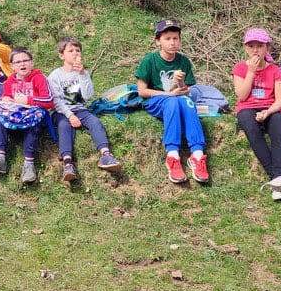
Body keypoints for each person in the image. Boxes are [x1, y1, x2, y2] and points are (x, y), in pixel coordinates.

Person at [135, 19, 210, 185]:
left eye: (175, 38)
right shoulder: (149, 60)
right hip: (156, 100)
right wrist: (169, 94)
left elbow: (186, 90)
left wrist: (181, 83)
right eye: (167, 38)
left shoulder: (183, 61)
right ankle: (172, 156)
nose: (172, 42)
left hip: (178, 98)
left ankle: (197, 155)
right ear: (158, 41)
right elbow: (142, 91)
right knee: (173, 102)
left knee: (187, 103)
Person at [232, 28, 281, 201]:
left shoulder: (274, 70)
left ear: (267, 48)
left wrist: (268, 111)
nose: (255, 50)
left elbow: (280, 100)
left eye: (260, 46)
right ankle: (278, 178)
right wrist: (251, 72)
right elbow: (242, 95)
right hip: (247, 108)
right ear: (246, 48)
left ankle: (279, 177)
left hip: (270, 107)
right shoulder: (240, 68)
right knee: (250, 127)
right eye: (251, 46)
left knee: (278, 126)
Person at [48, 37, 122, 183]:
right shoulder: (55, 75)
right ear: (62, 55)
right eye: (71, 51)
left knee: (95, 122)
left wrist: (82, 75)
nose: (75, 53)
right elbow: (56, 100)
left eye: (78, 50)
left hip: (80, 109)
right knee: (64, 126)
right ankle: (68, 162)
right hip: (61, 112)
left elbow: (88, 95)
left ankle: (105, 154)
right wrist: (70, 116)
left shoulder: (83, 73)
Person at [0, 47, 55, 184]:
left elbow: (49, 101)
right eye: (18, 62)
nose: (22, 64)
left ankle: (29, 164)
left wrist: (28, 100)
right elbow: (6, 96)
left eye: (25, 61)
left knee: (32, 124)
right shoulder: (10, 80)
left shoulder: (39, 78)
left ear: (32, 63)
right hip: (16, 117)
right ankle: (0, 158)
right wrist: (6, 99)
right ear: (12, 66)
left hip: (35, 117)